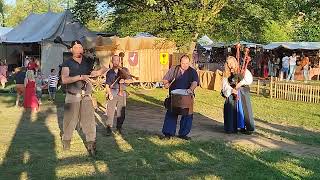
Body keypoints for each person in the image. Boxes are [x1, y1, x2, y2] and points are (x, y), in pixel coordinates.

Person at [60, 40, 96, 156]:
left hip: (86, 96)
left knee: (89, 121)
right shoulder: (67, 63)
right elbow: (64, 79)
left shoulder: (88, 62)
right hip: (72, 96)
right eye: (75, 47)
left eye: (80, 47)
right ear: (71, 50)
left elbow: (102, 68)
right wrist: (80, 77)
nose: (78, 49)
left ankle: (91, 144)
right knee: (69, 121)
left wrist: (99, 71)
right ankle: (66, 140)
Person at [91, 55, 133, 135]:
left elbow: (130, 80)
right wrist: (109, 94)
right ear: (112, 62)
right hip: (112, 92)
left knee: (121, 112)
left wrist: (124, 81)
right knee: (110, 112)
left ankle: (119, 128)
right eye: (114, 60)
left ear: (120, 61)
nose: (116, 62)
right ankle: (109, 128)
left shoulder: (125, 70)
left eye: (117, 60)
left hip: (122, 93)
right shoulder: (110, 72)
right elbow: (107, 85)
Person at [161, 55, 199, 140]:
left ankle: (183, 134)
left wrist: (191, 89)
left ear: (189, 63)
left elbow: (195, 82)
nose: (185, 65)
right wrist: (166, 83)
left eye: (187, 63)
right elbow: (165, 79)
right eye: (183, 63)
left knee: (187, 115)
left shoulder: (192, 71)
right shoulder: (174, 69)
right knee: (171, 114)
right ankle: (168, 134)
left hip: (187, 96)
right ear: (180, 62)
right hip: (174, 97)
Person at [222, 56, 255, 134]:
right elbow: (225, 86)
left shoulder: (242, 70)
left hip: (242, 93)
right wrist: (231, 90)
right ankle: (233, 127)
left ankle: (246, 127)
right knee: (232, 109)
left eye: (231, 63)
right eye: (228, 63)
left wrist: (240, 84)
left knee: (244, 110)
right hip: (232, 95)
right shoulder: (226, 74)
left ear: (235, 62)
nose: (230, 65)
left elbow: (249, 79)